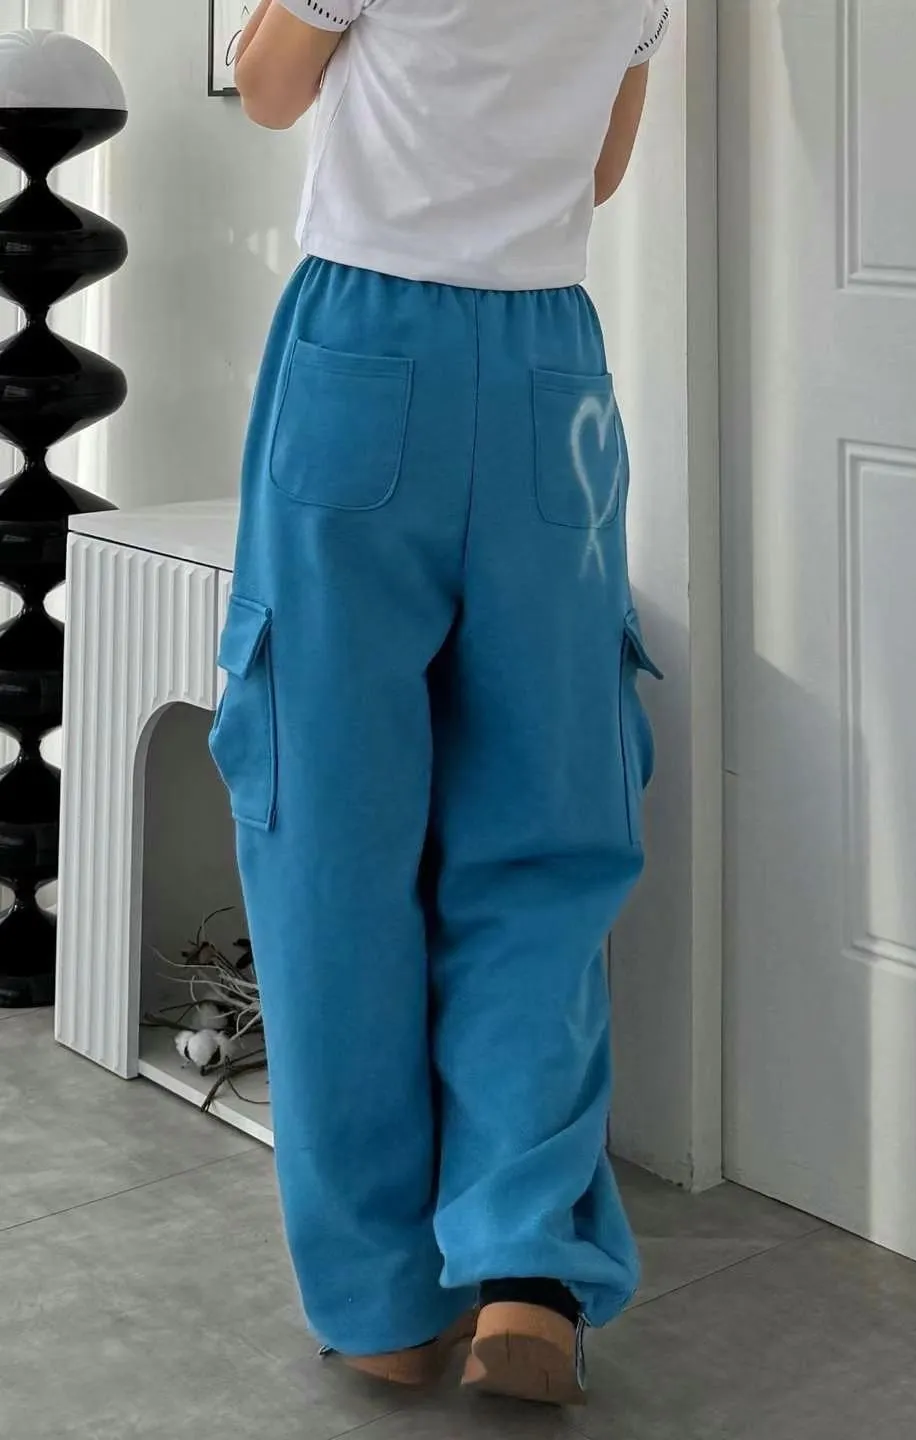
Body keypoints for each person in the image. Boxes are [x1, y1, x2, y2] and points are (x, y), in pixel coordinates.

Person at [210, 0, 668, 1408]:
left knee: (329, 834)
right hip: (550, 372)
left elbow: (265, 88)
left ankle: (385, 1304)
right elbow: (598, 171)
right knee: (547, 833)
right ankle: (526, 1271)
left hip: (366, 346)